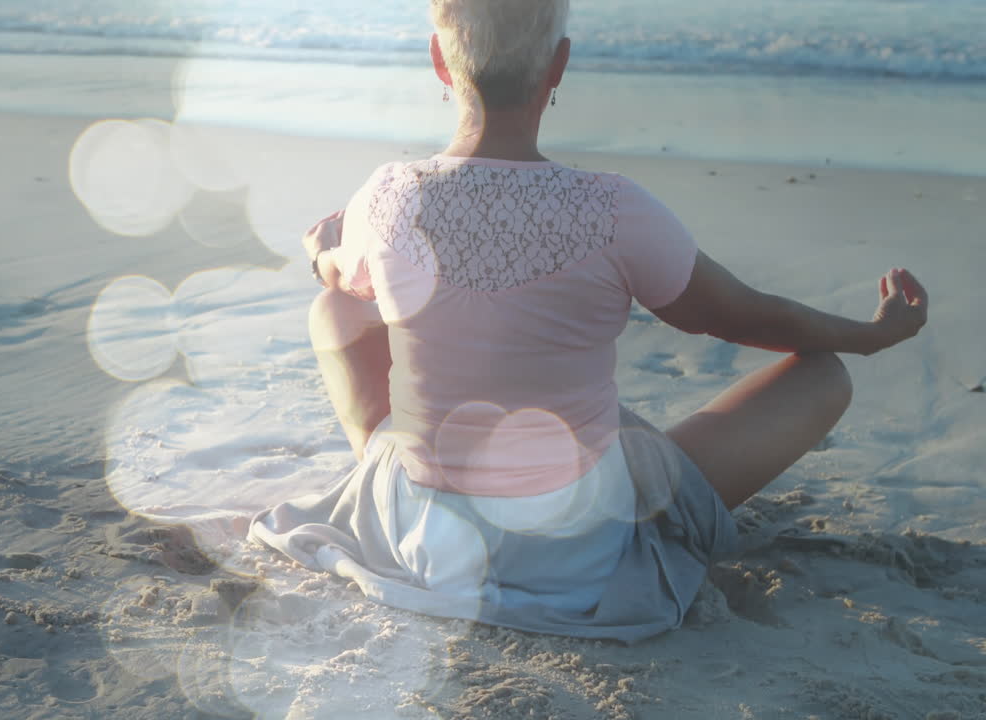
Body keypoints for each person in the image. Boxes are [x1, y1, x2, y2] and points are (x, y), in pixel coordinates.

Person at [248, 0, 928, 643]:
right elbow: (740, 316)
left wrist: (323, 256)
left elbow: (337, 275)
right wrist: (871, 336)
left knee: (334, 308)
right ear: (558, 66)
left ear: (438, 61)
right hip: (572, 559)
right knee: (822, 376)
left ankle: (390, 465)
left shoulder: (389, 194)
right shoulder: (614, 209)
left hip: (423, 541)